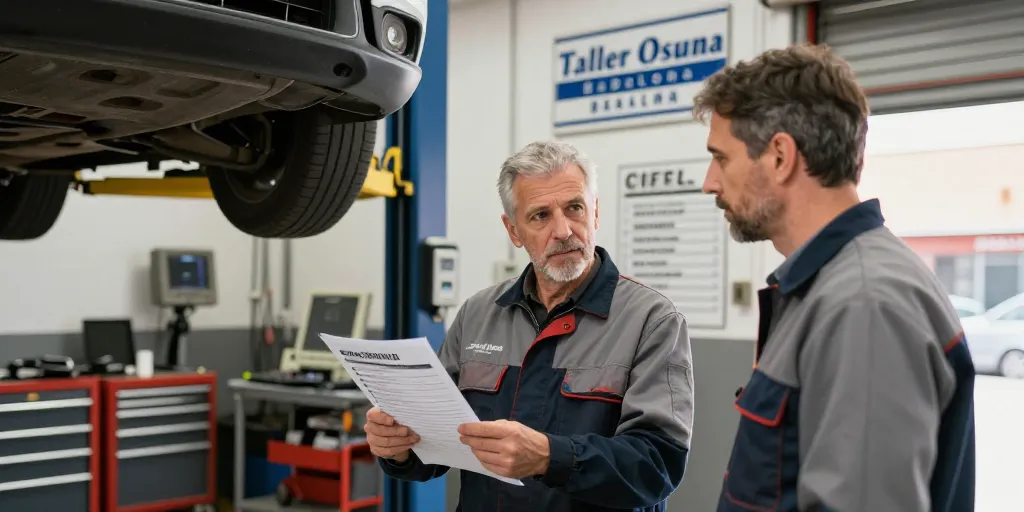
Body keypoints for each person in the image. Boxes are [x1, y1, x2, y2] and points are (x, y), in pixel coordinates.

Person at [692, 43, 976, 512]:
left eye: (721, 158)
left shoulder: (863, 303)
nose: (709, 182)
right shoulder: (826, 287)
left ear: (780, 156)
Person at [363, 140, 695, 512]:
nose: (564, 230)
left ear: (596, 213)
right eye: (540, 216)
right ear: (514, 231)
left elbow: (657, 465)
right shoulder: (478, 315)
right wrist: (400, 447)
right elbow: (437, 447)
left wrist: (549, 457)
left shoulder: (651, 319)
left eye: (575, 208)